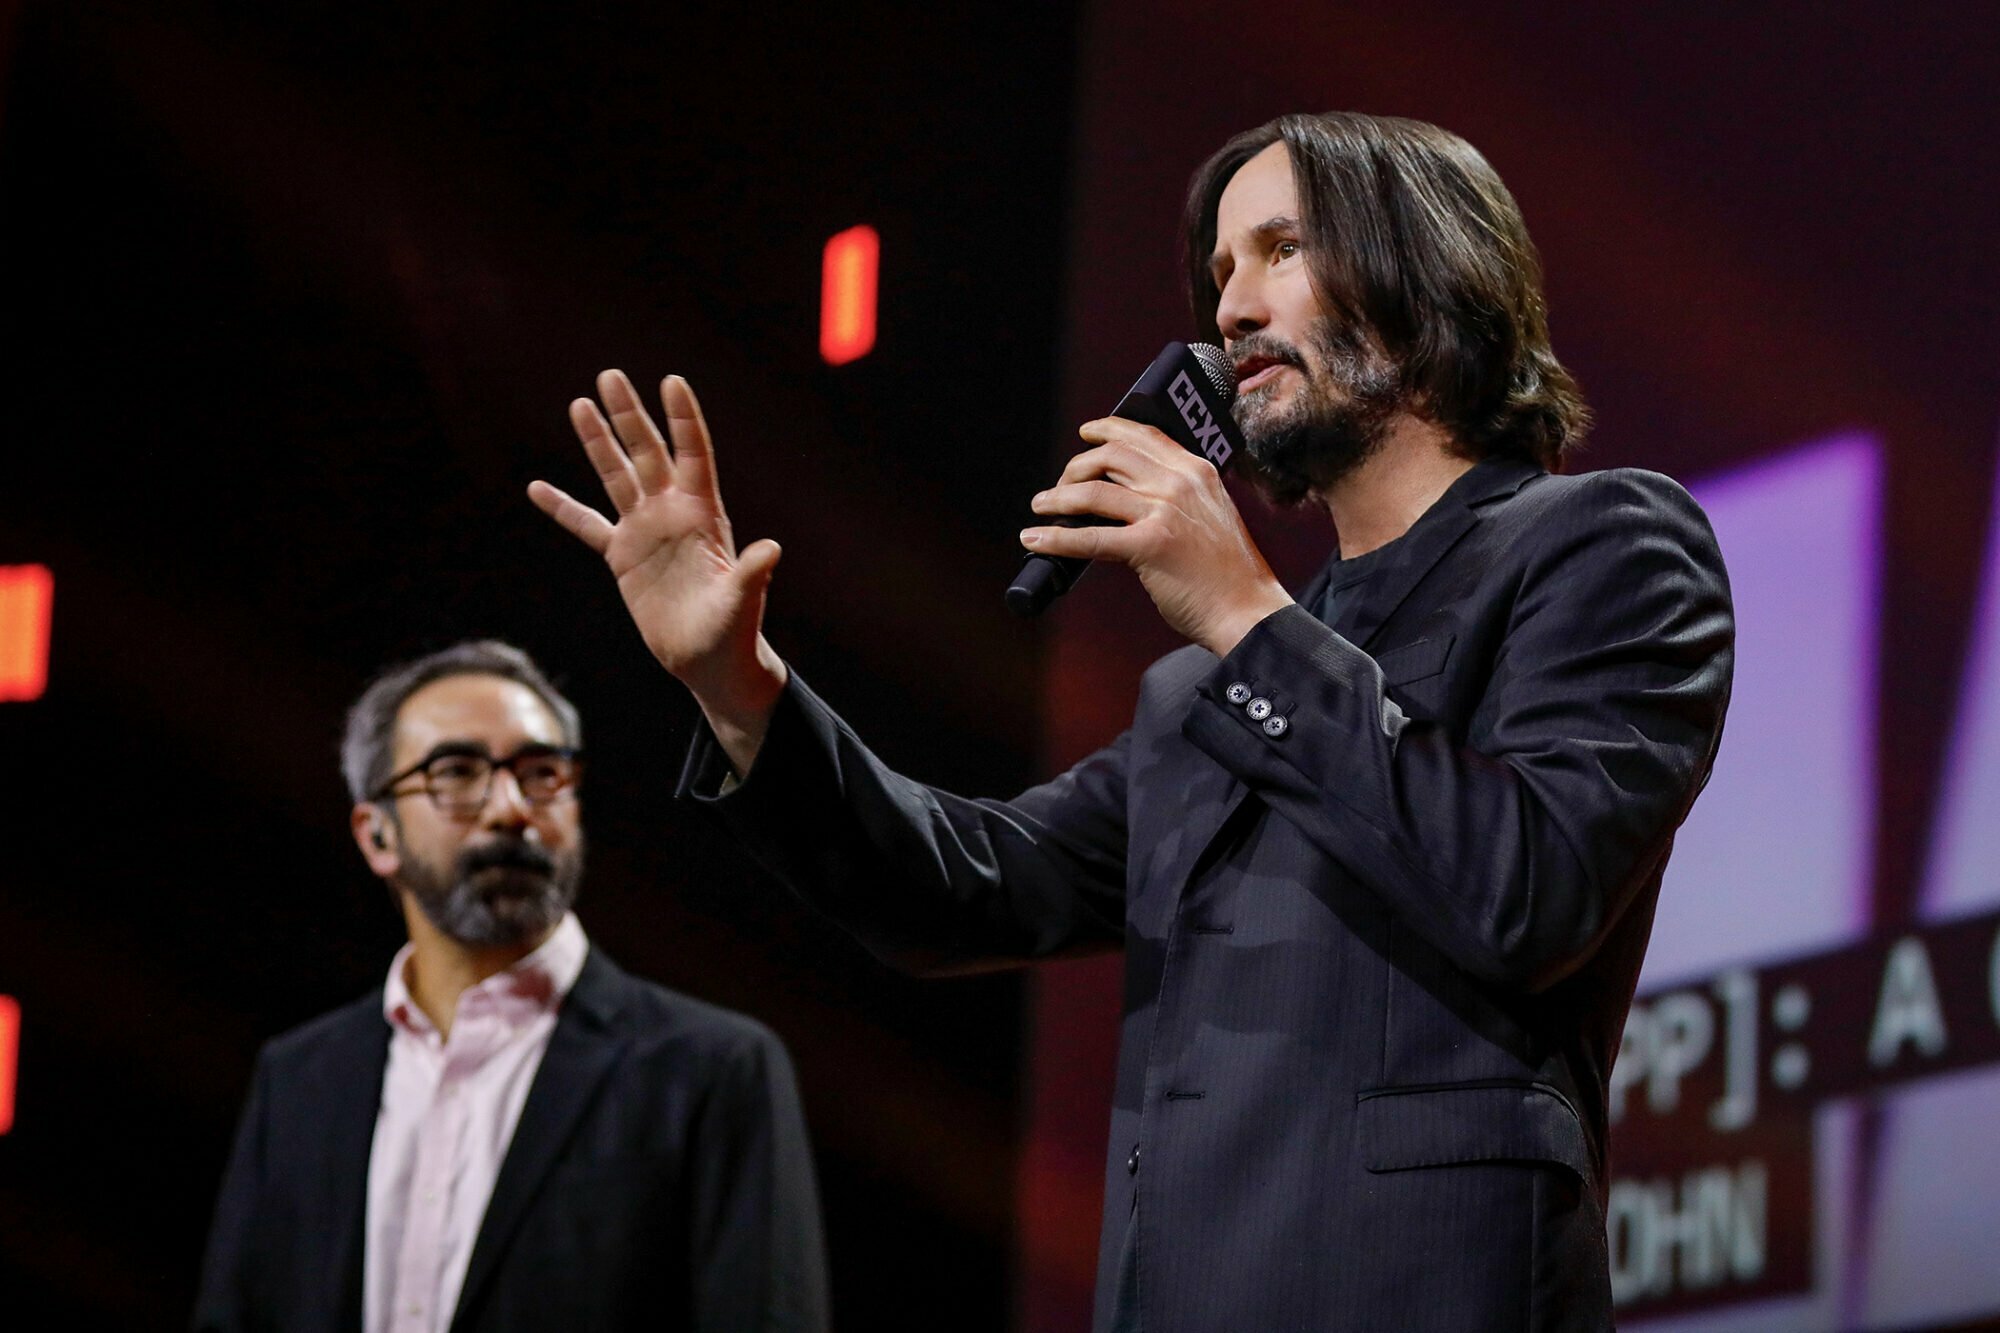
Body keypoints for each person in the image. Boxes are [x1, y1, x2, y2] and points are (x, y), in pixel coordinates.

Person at [528, 111, 1734, 1331]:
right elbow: (962, 887)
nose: (1229, 312)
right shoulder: (1200, 693)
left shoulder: (1603, 545)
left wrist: (1242, 612)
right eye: (1219, 274)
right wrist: (736, 683)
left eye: (1278, 250)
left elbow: (1525, 887)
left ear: (1425, 268)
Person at [193, 641, 828, 1333]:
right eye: (457, 771)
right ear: (377, 835)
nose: (509, 808)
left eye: (541, 772)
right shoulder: (298, 1080)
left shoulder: (712, 1070)